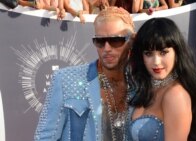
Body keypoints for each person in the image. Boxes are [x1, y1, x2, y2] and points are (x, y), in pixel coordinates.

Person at [34, 6, 135, 141]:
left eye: (115, 40)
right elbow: (44, 137)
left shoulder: (143, 84)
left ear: (132, 41)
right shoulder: (64, 80)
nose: (107, 48)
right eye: (99, 41)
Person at [126, 18, 196, 141]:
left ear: (177, 53)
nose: (156, 62)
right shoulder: (147, 88)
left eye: (163, 52)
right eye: (148, 54)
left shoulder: (176, 95)